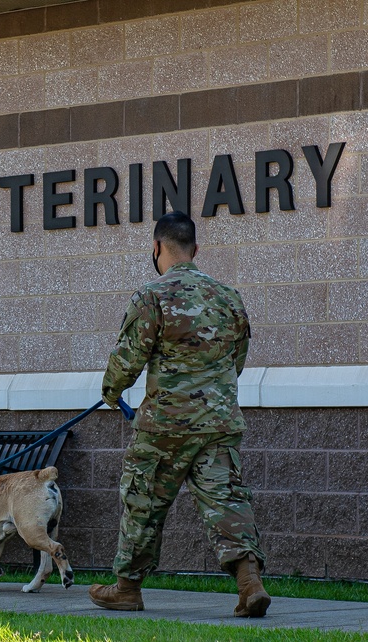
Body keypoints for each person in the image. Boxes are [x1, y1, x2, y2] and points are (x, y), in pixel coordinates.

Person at [89, 211, 270, 618]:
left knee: (143, 502)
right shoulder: (229, 297)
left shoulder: (152, 295)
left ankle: (127, 588)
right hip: (219, 423)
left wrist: (111, 393)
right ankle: (249, 583)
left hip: (164, 427)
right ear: (195, 250)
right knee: (226, 500)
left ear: (156, 248)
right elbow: (236, 361)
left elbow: (127, 360)